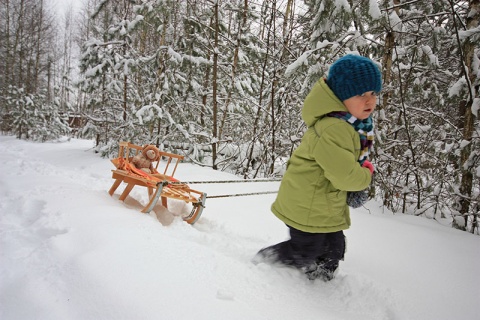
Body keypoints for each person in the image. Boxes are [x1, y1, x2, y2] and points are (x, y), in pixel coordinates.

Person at [253, 54, 381, 281]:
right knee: (306, 248)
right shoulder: (334, 128)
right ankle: (263, 261)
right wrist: (365, 174)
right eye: (361, 93)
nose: (370, 100)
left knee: (334, 248)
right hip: (307, 204)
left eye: (373, 93)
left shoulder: (351, 125)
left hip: (322, 203)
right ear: (341, 96)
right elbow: (345, 177)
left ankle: (319, 278)